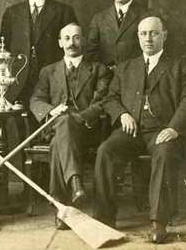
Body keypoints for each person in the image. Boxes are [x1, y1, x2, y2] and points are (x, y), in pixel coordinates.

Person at [94, 14, 186, 243]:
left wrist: (174, 128)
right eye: (143, 33)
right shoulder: (125, 67)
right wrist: (122, 114)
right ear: (138, 36)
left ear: (164, 35)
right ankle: (105, 217)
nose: (148, 38)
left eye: (154, 33)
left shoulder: (181, 65)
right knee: (106, 151)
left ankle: (158, 222)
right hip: (132, 131)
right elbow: (110, 98)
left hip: (163, 130)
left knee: (164, 152)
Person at [30, 23, 112, 230]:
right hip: (56, 126)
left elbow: (103, 102)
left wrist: (80, 117)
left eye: (76, 38)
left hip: (88, 129)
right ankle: (74, 184)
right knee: (62, 126)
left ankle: (61, 206)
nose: (71, 43)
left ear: (82, 41)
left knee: (61, 138)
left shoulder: (98, 69)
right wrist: (50, 111)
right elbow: (36, 100)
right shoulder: (48, 71)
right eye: (66, 38)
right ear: (60, 43)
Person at [1, 0, 78, 104]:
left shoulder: (63, 11)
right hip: (19, 80)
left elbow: (73, 47)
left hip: (53, 79)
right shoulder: (12, 13)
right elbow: (4, 50)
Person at [87, 0, 146, 68]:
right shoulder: (99, 18)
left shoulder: (146, 16)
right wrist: (103, 71)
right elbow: (91, 52)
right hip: (106, 78)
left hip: (135, 76)